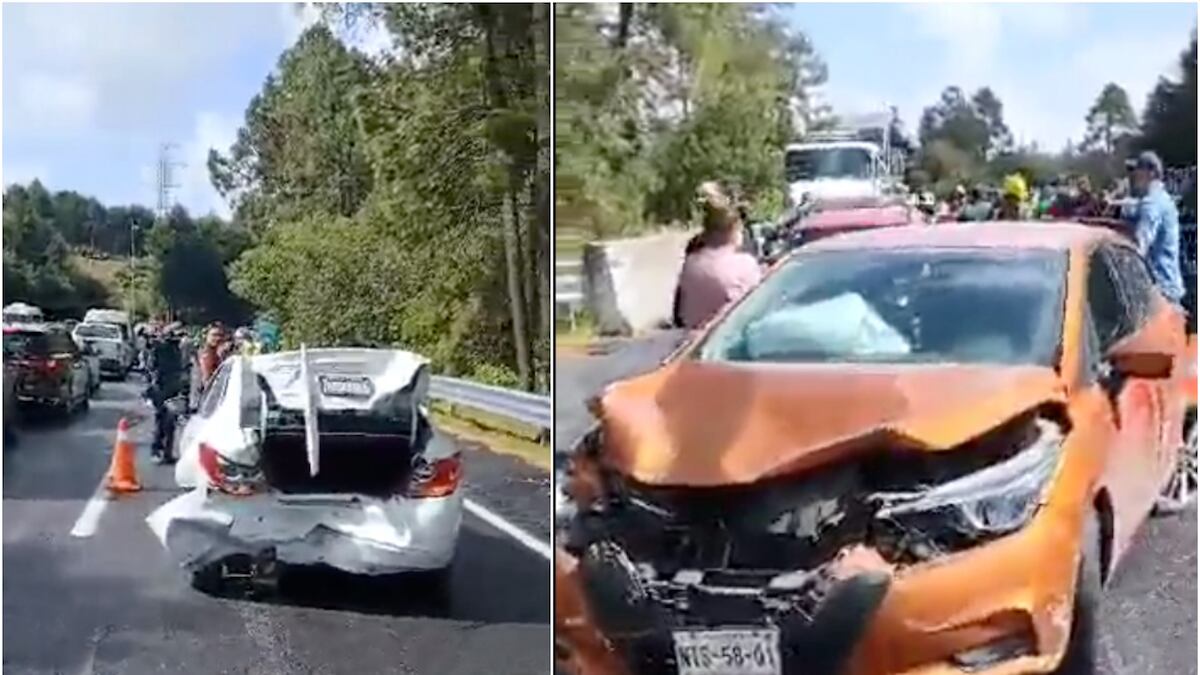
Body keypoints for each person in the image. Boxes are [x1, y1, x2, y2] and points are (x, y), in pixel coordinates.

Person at [674, 181, 763, 330]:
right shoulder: (745, 265)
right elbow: (758, 314)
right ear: (735, 230)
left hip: (692, 342)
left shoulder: (691, 261)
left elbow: (679, 314)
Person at [1124, 151, 1184, 305]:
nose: (1134, 175)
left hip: (1160, 291)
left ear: (1151, 173)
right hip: (1169, 287)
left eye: (1138, 169)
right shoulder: (1163, 199)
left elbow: (1139, 246)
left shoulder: (1152, 203)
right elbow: (1135, 208)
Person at [145, 327, 184, 463]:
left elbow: (179, 370)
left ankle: (166, 452)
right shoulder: (159, 349)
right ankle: (157, 450)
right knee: (161, 421)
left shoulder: (175, 350)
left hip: (171, 389)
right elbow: (151, 368)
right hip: (161, 389)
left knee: (170, 423)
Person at [197, 323, 231, 388]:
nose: (218, 338)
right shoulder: (206, 354)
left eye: (221, 335)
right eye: (214, 335)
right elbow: (207, 380)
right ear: (206, 336)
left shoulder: (221, 352)